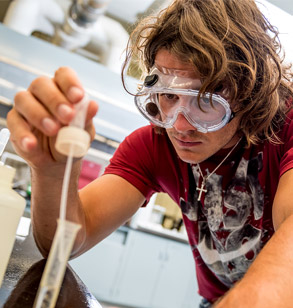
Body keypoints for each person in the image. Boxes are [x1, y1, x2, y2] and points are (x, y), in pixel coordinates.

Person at [6, 0, 293, 307]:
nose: (180, 126)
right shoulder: (154, 146)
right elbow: (67, 241)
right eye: (169, 96)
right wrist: (53, 173)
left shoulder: (285, 128)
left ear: (250, 92)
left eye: (207, 100)